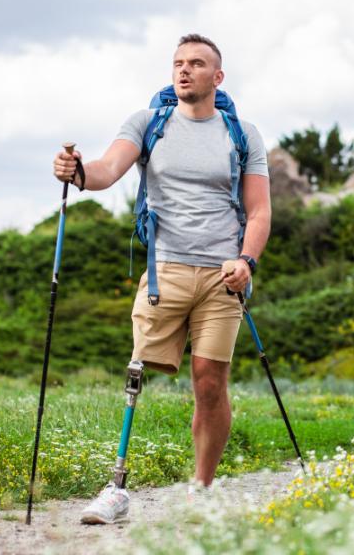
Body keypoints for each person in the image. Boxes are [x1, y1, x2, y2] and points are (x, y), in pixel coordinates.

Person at [52, 33, 270, 524]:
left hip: (222, 277)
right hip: (164, 270)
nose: (184, 70)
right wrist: (77, 172)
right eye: (178, 63)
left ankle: (201, 490)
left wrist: (246, 260)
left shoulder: (243, 135)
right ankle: (116, 489)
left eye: (196, 63)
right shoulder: (149, 123)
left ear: (218, 77)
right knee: (136, 374)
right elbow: (108, 169)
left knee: (210, 382)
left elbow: (258, 212)